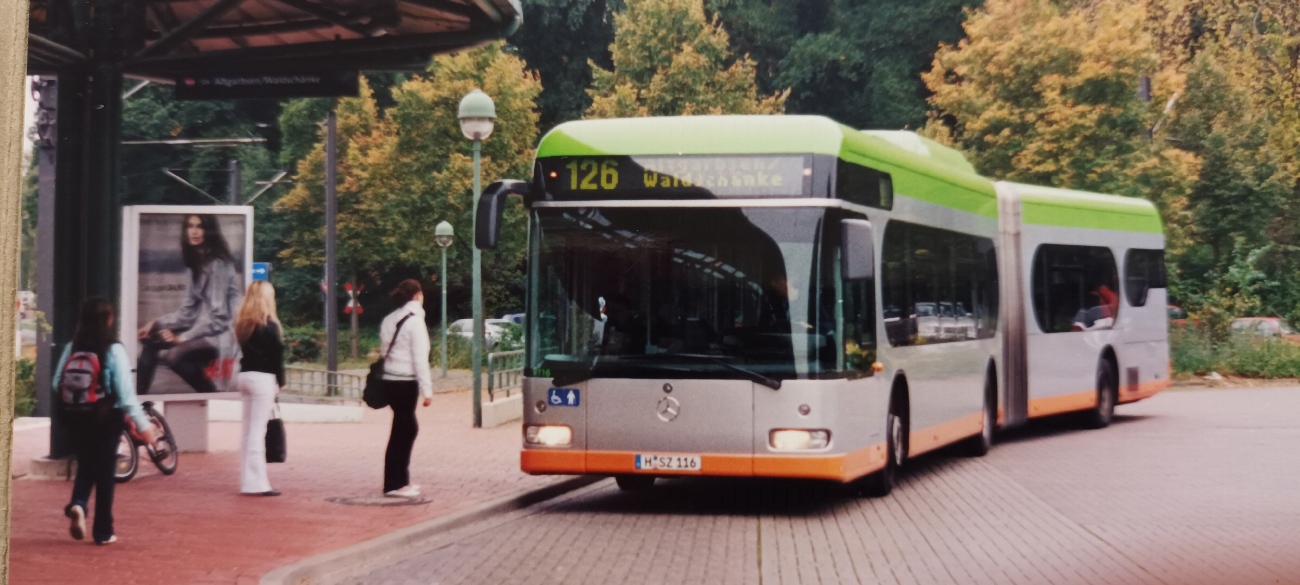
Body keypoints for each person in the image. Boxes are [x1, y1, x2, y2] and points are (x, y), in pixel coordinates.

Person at [55, 298, 158, 545]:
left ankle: (79, 504)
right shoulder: (113, 349)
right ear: (109, 320)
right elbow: (125, 394)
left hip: (75, 416)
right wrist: (144, 426)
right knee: (104, 474)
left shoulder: (73, 347)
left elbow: (56, 381)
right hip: (105, 418)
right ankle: (103, 531)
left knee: (86, 463)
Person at [137, 214, 243, 394]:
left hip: (225, 334)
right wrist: (156, 323)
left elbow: (219, 318)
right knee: (150, 343)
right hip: (209, 330)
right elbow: (187, 314)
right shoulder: (196, 265)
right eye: (190, 226)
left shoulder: (217, 264)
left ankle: (211, 394)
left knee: (175, 356)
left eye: (199, 227)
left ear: (208, 231)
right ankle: (138, 400)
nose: (194, 232)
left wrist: (183, 338)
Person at [378, 279, 433, 497]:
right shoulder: (416, 322)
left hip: (390, 380)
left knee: (402, 428)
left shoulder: (390, 318)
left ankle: (398, 480)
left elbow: (384, 351)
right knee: (405, 430)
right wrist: (427, 391)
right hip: (406, 382)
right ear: (418, 296)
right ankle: (396, 484)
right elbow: (420, 358)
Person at [233, 281, 285, 496]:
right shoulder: (269, 325)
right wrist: (280, 382)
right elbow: (276, 358)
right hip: (263, 379)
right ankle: (257, 484)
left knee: (248, 432)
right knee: (257, 432)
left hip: (245, 376)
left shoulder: (243, 324)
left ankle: (247, 481)